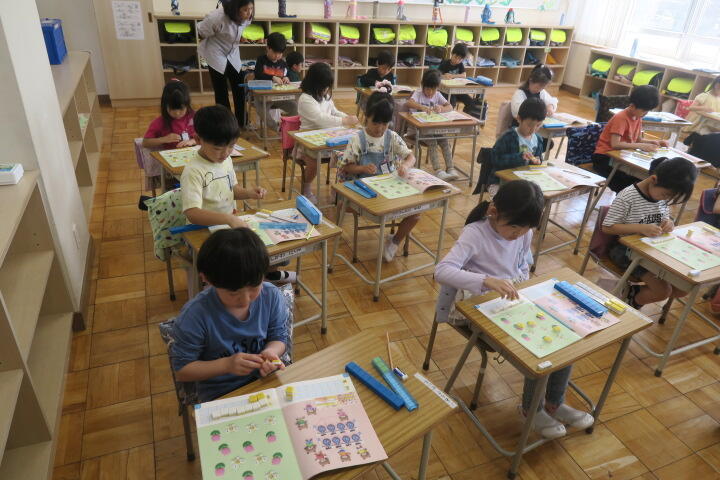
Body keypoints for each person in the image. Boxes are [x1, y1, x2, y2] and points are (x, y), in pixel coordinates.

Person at [435, 180, 594, 439]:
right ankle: (531, 409)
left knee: (566, 335)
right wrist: (487, 280)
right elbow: (441, 271)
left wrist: (521, 282)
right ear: (493, 212)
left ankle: (554, 403)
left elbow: (522, 265)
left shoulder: (523, 233)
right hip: (479, 308)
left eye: (526, 229)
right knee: (538, 348)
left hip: (512, 302)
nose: (518, 235)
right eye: (514, 228)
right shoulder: (475, 233)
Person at [171, 228, 290, 401]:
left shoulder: (271, 295)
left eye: (254, 287)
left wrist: (271, 352)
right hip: (221, 394)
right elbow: (182, 371)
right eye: (233, 293)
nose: (245, 300)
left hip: (265, 382)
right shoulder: (195, 316)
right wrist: (226, 365)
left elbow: (278, 337)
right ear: (206, 279)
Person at [602, 156, 696, 308]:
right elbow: (607, 227)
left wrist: (669, 222)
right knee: (663, 291)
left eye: (670, 197)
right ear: (653, 179)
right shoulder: (628, 196)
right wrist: (640, 228)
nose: (666, 200)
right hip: (624, 250)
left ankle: (633, 291)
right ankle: (632, 301)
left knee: (682, 288)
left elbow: (664, 215)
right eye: (665, 195)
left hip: (652, 249)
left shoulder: (661, 195)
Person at [339, 92, 418, 262]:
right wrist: (362, 168)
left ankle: (394, 241)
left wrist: (405, 166)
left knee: (416, 213)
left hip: (389, 188)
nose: (380, 128)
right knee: (384, 212)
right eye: (375, 123)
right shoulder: (358, 139)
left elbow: (411, 157)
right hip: (366, 191)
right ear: (366, 116)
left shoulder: (392, 137)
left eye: (385, 123)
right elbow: (346, 166)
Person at [181, 105, 264, 229]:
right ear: (198, 139)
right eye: (217, 148)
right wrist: (228, 219)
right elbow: (192, 213)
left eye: (231, 146)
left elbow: (231, 190)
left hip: (227, 224)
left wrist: (248, 193)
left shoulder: (226, 160)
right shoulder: (193, 171)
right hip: (202, 229)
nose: (226, 153)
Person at [297, 62, 358, 203]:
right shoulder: (305, 99)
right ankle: (306, 188)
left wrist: (347, 117)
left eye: (327, 86)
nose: (326, 89)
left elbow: (334, 112)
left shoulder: (325, 96)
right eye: (324, 86)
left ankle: (340, 188)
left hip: (328, 137)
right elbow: (321, 120)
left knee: (347, 157)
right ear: (314, 84)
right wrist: (344, 121)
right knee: (314, 163)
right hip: (307, 141)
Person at [592, 85, 668, 192]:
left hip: (620, 158)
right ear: (632, 106)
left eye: (648, 111)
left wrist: (655, 142)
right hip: (604, 159)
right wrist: (641, 145)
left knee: (642, 180)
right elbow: (615, 144)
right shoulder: (621, 118)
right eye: (644, 111)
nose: (645, 114)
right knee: (633, 185)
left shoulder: (638, 116)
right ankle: (622, 201)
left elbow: (638, 140)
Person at [197, 0, 254, 127]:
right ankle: (225, 124)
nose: (249, 13)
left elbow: (237, 29)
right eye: (245, 10)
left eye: (251, 8)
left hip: (232, 52)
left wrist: (237, 37)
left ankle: (242, 121)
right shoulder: (217, 17)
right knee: (221, 91)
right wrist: (220, 36)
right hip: (215, 52)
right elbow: (201, 31)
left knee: (239, 87)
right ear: (235, 8)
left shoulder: (247, 16)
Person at [487, 97, 546, 197]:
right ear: (519, 119)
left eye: (538, 125)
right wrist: (519, 157)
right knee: (503, 201)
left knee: (534, 199)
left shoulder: (538, 140)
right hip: (500, 182)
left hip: (524, 183)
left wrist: (537, 161)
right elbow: (495, 159)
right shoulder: (508, 137)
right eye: (529, 125)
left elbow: (538, 159)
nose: (533, 130)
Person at [406, 69, 458, 181]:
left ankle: (450, 168)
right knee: (433, 142)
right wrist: (422, 107)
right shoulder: (418, 94)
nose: (430, 92)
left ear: (437, 88)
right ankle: (438, 171)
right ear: (423, 86)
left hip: (433, 129)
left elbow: (450, 107)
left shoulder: (437, 95)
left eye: (433, 89)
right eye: (427, 89)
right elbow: (409, 102)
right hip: (417, 131)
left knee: (444, 141)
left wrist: (441, 108)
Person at [253, 32, 298, 131]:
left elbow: (286, 74)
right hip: (262, 97)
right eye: (274, 52)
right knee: (262, 110)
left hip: (277, 97)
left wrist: (286, 78)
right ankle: (276, 128)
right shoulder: (261, 60)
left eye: (280, 53)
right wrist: (272, 77)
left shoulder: (283, 63)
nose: (277, 56)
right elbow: (258, 74)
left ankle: (286, 126)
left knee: (294, 106)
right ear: (268, 48)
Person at [142, 80, 196, 150]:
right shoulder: (160, 122)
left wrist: (193, 141)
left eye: (181, 109)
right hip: (172, 154)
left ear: (187, 105)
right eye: (172, 109)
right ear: (165, 106)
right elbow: (145, 143)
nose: (177, 113)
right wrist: (164, 139)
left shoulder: (195, 117)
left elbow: (206, 137)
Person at [438, 43, 483, 116]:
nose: (457, 60)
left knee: (471, 102)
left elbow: (464, 75)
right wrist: (443, 76)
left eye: (460, 59)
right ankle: (448, 118)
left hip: (457, 90)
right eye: (455, 57)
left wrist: (452, 76)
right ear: (452, 53)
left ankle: (465, 117)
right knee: (452, 103)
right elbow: (437, 75)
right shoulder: (445, 63)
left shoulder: (460, 64)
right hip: (446, 91)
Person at [683, 76, 720, 148]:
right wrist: (703, 108)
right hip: (701, 122)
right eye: (719, 87)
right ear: (714, 85)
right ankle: (692, 144)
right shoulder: (704, 96)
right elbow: (691, 107)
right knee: (700, 139)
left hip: (713, 122)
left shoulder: (718, 98)